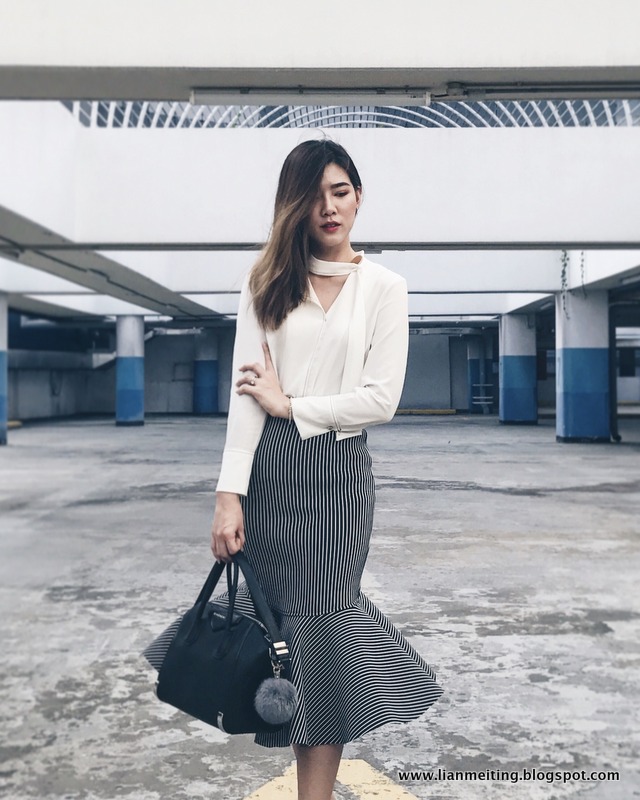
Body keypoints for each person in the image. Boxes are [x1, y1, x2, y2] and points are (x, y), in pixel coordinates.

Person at [211, 139, 442, 800]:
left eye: (340, 192)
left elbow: (382, 400)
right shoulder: (266, 282)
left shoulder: (384, 288)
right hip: (271, 476)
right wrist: (228, 494)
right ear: (296, 205)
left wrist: (293, 404)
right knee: (282, 636)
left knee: (327, 636)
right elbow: (245, 396)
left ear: (359, 197)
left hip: (339, 478)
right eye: (315, 196)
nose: (329, 208)